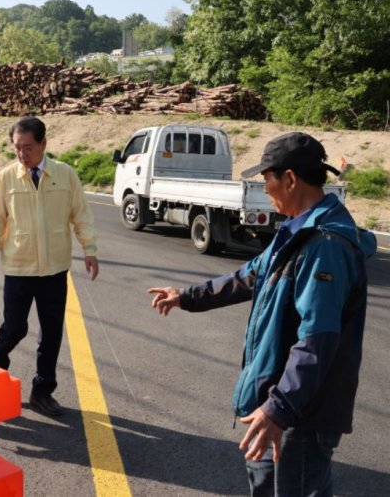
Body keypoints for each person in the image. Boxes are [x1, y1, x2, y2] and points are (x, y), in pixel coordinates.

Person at [147, 132, 376, 496]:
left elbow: (317, 340)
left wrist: (278, 410)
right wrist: (186, 297)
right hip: (288, 403)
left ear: (289, 179)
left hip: (300, 414)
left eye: (267, 178)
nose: (264, 187)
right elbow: (247, 276)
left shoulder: (324, 246)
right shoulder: (295, 231)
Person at [0, 116, 99, 417]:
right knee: (14, 329)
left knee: (51, 333)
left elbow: (81, 215)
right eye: (17, 148)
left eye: (28, 147)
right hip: (18, 269)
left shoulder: (65, 175)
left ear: (44, 143)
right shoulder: (6, 178)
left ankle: (42, 392)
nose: (22, 154)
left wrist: (90, 250)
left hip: (55, 270)